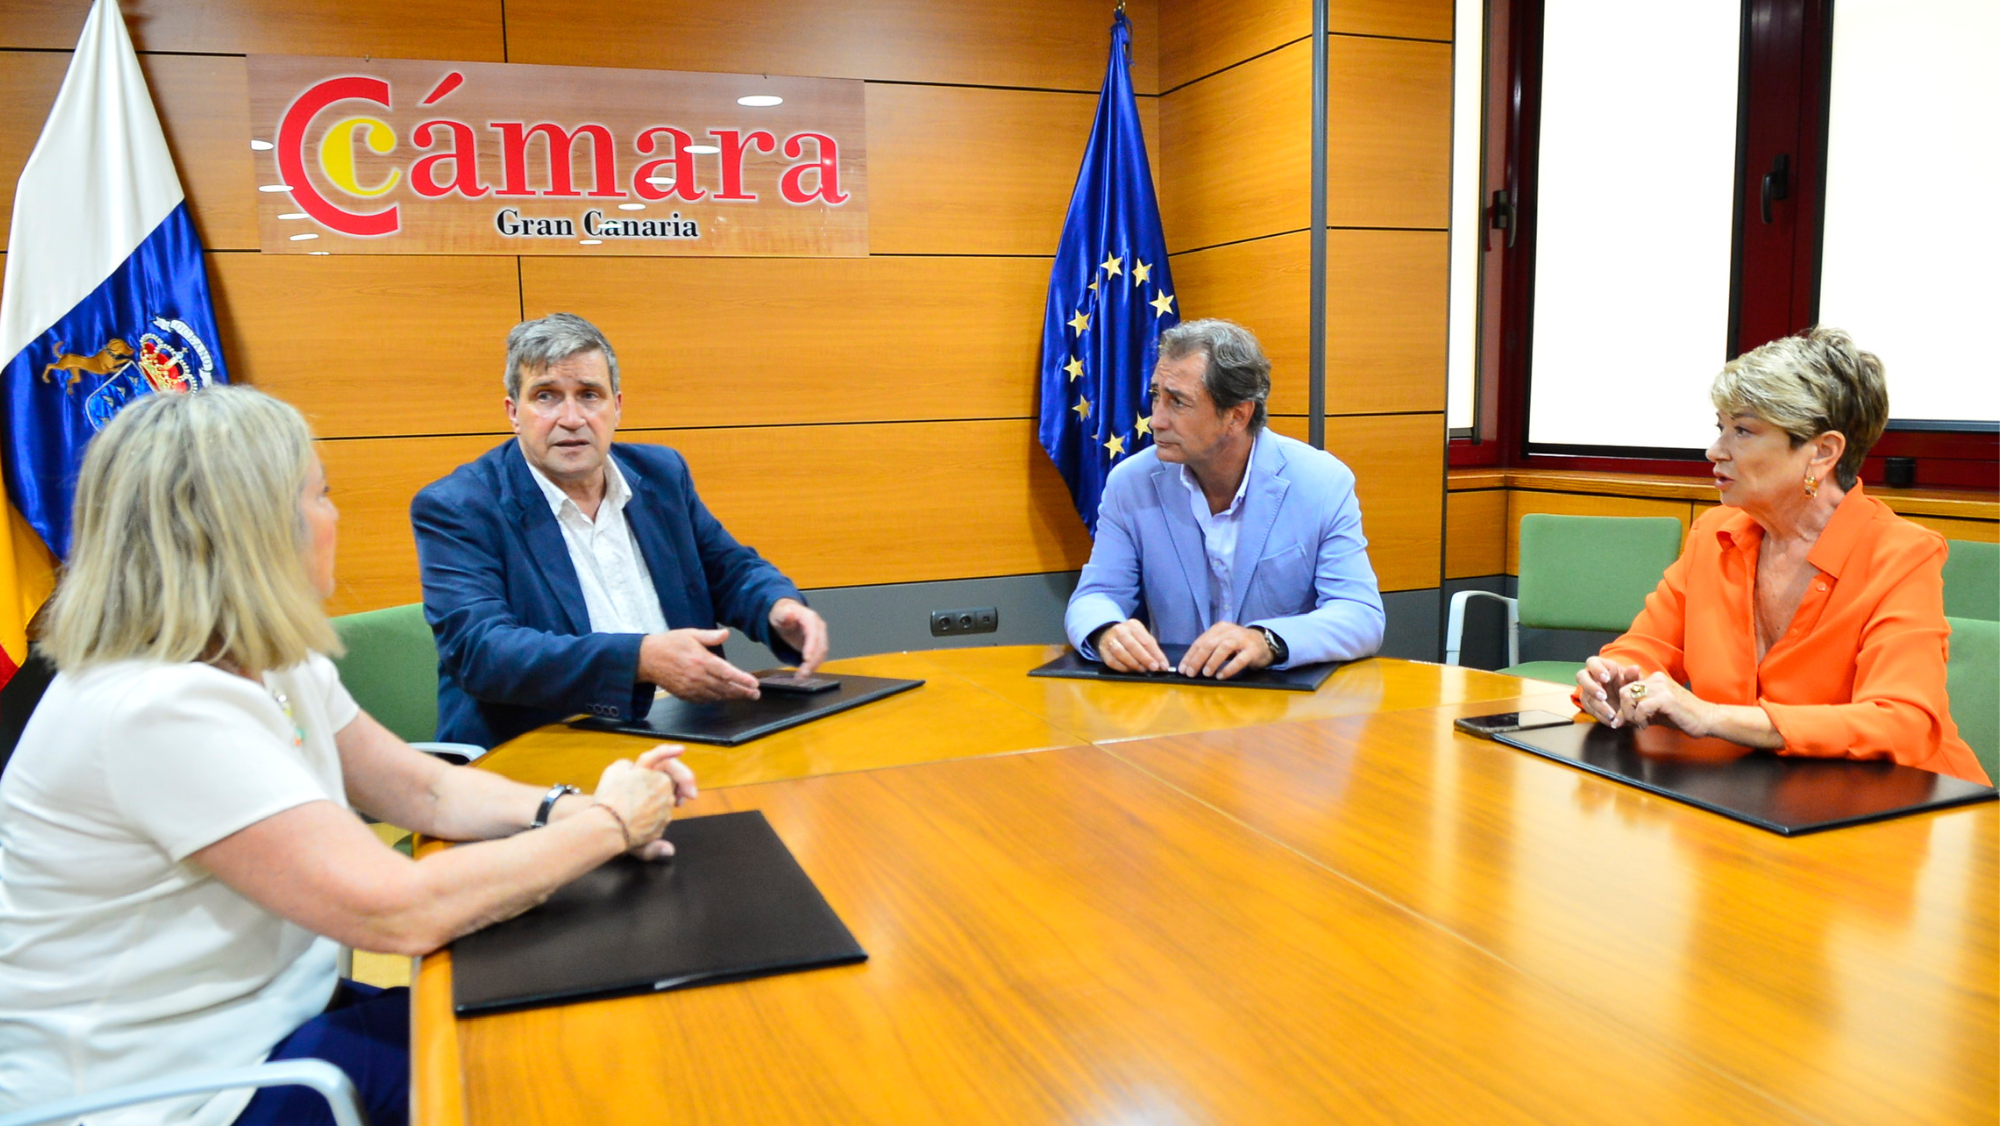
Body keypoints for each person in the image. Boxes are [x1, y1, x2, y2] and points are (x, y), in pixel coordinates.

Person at [0, 386, 697, 1126]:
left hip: (268, 1020)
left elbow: (423, 791)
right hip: (179, 1092)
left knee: (551, 1017)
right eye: (320, 495)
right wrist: (609, 827)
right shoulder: (155, 709)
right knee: (556, 1077)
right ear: (255, 529)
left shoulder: (267, 658)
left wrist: (568, 810)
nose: (335, 518)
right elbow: (400, 913)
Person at [1576, 326, 1988, 784]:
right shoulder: (1714, 533)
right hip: (1759, 792)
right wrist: (1615, 680)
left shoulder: (1901, 555)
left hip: (1907, 803)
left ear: (1823, 452)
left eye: (1743, 431)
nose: (1715, 450)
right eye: (1720, 428)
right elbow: (1647, 647)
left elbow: (1901, 722)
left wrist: (1711, 717)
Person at [412, 313, 829, 748]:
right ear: (514, 413)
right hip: (540, 746)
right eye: (546, 396)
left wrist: (775, 606)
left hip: (690, 731)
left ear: (617, 407)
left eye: (589, 395)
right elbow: (481, 651)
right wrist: (639, 660)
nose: (571, 418)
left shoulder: (661, 473)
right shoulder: (459, 506)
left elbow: (726, 567)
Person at [1064, 319, 1384, 679]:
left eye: (1177, 402)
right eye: (1156, 396)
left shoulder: (1321, 482)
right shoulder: (1131, 483)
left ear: (1237, 415)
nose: (1156, 420)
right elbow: (1095, 596)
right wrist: (1106, 631)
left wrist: (1267, 641)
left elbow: (1361, 615)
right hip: (1176, 694)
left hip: (1284, 700)